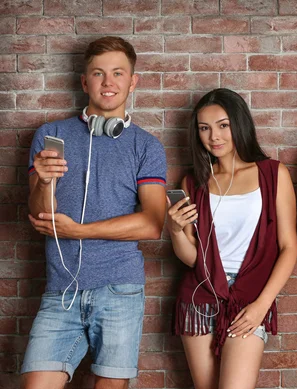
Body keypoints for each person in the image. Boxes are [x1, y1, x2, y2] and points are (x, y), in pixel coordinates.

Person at [23, 36, 167, 389]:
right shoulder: (50, 135)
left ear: (132, 82)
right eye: (99, 74)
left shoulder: (147, 146)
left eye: (118, 73)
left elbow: (152, 223)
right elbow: (41, 217)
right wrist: (43, 183)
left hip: (120, 290)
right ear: (85, 81)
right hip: (61, 290)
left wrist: (80, 231)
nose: (108, 82)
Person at [167, 88, 297, 389]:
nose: (214, 136)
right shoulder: (193, 183)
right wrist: (175, 229)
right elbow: (191, 257)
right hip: (200, 298)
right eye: (204, 128)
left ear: (239, 124)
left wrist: (262, 305)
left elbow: (289, 247)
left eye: (223, 125)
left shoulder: (272, 174)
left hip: (250, 297)